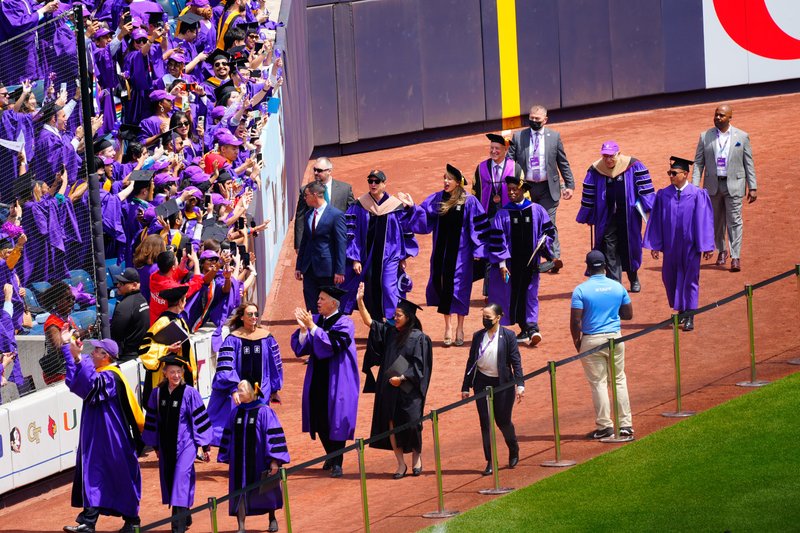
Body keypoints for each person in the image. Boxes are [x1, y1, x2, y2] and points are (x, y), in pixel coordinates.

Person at [61, 336, 144, 533]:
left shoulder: (111, 377)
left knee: (120, 476)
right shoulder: (100, 373)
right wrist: (67, 348)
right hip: (96, 435)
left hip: (113, 437)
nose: (92, 353)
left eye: (96, 351)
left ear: (105, 356)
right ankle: (88, 522)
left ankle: (132, 521)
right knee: (93, 474)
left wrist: (80, 359)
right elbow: (75, 384)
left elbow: (91, 386)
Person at [356, 282, 433, 479]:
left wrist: (403, 378)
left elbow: (420, 365)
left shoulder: (419, 338)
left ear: (409, 317)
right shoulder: (390, 333)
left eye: (399, 315)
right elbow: (370, 323)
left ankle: (417, 458)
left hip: (409, 388)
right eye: (395, 314)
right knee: (391, 424)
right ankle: (401, 464)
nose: (395, 318)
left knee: (413, 423)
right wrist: (360, 301)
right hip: (389, 387)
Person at [406, 164, 488, 346]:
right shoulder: (437, 199)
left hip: (462, 255)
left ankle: (460, 327)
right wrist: (412, 207)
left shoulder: (469, 201)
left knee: (460, 289)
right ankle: (448, 327)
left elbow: (478, 226)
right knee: (444, 287)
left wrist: (478, 250)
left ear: (458, 182)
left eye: (449, 179)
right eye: (444, 178)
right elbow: (423, 218)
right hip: (441, 254)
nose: (445, 181)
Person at [290, 286, 360, 478]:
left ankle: (338, 462)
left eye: (322, 299)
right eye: (318, 298)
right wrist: (304, 330)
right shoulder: (317, 321)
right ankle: (331, 454)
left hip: (339, 379)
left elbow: (334, 344)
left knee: (337, 419)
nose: (318, 302)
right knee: (319, 417)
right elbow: (300, 348)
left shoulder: (346, 322)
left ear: (333, 303)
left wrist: (312, 328)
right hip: (318, 377)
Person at [644, 157, 715, 332]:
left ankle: (689, 315)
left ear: (685, 174)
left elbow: (704, 220)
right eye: (670, 173)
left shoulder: (697, 194)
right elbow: (656, 220)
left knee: (690, 279)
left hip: (690, 246)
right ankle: (682, 310)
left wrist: (706, 245)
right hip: (670, 246)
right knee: (670, 278)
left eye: (674, 173)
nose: (671, 176)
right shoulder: (663, 194)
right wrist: (655, 244)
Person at [143, 354, 212, 533]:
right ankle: (185, 515)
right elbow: (153, 420)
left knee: (180, 479)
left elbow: (199, 420)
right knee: (173, 480)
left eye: (179, 372)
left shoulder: (190, 393)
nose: (175, 376)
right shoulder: (157, 394)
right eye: (172, 372)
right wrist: (156, 446)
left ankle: (177, 527)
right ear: (165, 373)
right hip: (166, 445)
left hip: (186, 445)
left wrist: (205, 446)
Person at [570, 250, 634, 440]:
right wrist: (611, 313)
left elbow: (575, 321)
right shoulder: (617, 287)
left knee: (598, 383)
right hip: (616, 338)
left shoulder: (581, 290)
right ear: (605, 265)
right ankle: (626, 425)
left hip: (592, 340)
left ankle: (605, 426)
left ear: (588, 267)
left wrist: (577, 343)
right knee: (619, 380)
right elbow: (629, 314)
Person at [576, 141, 655, 292]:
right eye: (605, 156)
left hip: (629, 216)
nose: (608, 160)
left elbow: (645, 189)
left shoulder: (633, 166)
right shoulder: (596, 170)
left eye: (611, 156)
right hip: (606, 217)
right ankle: (616, 285)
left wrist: (649, 208)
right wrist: (588, 214)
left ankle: (634, 278)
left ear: (618, 154)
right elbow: (589, 194)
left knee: (630, 246)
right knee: (609, 249)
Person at [339, 169, 417, 321]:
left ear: (384, 184)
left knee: (388, 287)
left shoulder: (395, 206)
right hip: (367, 257)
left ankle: (392, 322)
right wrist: (354, 258)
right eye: (370, 181)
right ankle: (375, 323)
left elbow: (405, 229)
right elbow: (351, 232)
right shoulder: (359, 205)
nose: (373, 184)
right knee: (368, 289)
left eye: (377, 181)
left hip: (390, 255)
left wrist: (403, 255)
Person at [486, 176, 556, 345]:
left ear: (523, 189)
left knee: (530, 294)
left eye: (514, 189)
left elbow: (549, 232)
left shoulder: (537, 210)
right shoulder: (503, 213)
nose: (511, 192)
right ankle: (523, 328)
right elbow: (498, 238)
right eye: (509, 189)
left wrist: (543, 244)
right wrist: (502, 264)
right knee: (510, 295)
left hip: (530, 264)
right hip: (510, 266)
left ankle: (531, 327)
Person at [691, 104, 757, 272]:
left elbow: (748, 163)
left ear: (730, 118)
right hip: (712, 185)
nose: (717, 118)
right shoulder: (705, 136)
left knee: (734, 221)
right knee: (716, 221)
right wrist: (694, 187)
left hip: (734, 184)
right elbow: (699, 163)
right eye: (716, 115)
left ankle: (735, 256)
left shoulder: (742, 137)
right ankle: (722, 251)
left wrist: (753, 186)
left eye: (721, 115)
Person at [508, 104, 575, 268]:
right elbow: (510, 162)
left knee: (548, 222)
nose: (533, 121)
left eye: (537, 119)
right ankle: (531, 256)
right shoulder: (518, 137)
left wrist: (569, 185)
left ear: (545, 120)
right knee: (529, 222)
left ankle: (554, 258)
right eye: (531, 118)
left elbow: (562, 162)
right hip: (526, 188)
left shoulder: (554, 137)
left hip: (548, 188)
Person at [218, 379, 289, 533]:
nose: (238, 393)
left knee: (267, 490)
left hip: (259, 460)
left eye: (241, 390)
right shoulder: (236, 412)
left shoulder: (264, 411)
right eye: (238, 389)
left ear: (251, 392)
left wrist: (274, 461)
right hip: (239, 463)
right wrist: (227, 454)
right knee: (239, 492)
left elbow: (273, 435)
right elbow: (228, 435)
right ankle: (241, 526)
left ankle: (272, 518)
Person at [208, 301, 283, 446]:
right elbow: (226, 366)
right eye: (250, 314)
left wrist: (274, 389)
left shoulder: (266, 337)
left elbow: (275, 365)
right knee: (239, 424)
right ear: (241, 317)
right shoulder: (233, 339)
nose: (254, 317)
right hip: (240, 390)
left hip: (261, 389)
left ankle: (257, 459)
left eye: (256, 314)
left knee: (259, 423)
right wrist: (234, 389)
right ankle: (239, 458)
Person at [461, 304, 524, 475]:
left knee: (502, 421)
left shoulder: (509, 336)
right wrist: (466, 385)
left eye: (488, 318)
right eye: (484, 317)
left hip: (503, 384)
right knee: (485, 422)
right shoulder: (478, 336)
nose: (485, 321)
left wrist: (520, 385)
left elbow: (515, 361)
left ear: (498, 317)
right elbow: (471, 361)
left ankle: (513, 447)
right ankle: (490, 460)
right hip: (482, 383)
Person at [139, 285, 198, 406]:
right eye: (184, 299)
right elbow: (144, 349)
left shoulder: (180, 321)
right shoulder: (163, 322)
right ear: (180, 302)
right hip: (164, 377)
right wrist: (167, 349)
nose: (185, 302)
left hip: (180, 375)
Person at [295, 181, 347, 312]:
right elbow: (304, 242)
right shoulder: (308, 215)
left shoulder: (336, 215)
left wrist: (340, 270)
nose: (304, 198)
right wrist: (299, 266)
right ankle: (314, 329)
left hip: (327, 269)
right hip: (309, 268)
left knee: (328, 304)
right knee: (311, 304)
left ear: (315, 194)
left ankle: (329, 330)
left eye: (306, 195)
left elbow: (341, 243)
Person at [294, 157, 355, 251]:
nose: (315, 173)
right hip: (316, 242)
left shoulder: (345, 189)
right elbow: (300, 217)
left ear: (329, 171)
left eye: (319, 170)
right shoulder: (305, 190)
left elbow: (352, 214)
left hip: (338, 239)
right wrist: (299, 245)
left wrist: (352, 241)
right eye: (314, 170)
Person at [472, 134, 523, 219]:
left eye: (497, 148)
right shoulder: (481, 168)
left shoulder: (515, 168)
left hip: (510, 216)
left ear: (505, 149)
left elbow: (523, 193)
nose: (493, 151)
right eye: (492, 148)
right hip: (487, 215)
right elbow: (474, 192)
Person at [110, 268, 150, 362]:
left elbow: (115, 334)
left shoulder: (124, 306)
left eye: (122, 283)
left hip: (128, 357)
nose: (118, 285)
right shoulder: (142, 299)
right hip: (142, 353)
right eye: (118, 282)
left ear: (134, 285)